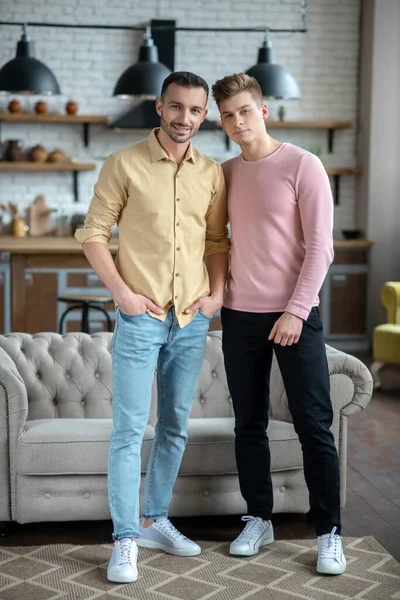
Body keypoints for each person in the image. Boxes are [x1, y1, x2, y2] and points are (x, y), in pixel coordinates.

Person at [75, 71, 230, 584]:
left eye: (195, 110)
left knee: (174, 428)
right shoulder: (123, 164)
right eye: (176, 107)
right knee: (127, 431)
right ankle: (124, 538)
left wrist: (217, 296)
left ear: (204, 115)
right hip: (140, 317)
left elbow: (216, 242)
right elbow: (93, 234)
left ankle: (155, 519)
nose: (185, 118)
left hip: (192, 319)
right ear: (159, 107)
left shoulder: (212, 172)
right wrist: (122, 294)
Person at [211, 73, 346, 576]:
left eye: (244, 111)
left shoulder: (303, 165)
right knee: (248, 423)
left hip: (296, 313)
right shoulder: (224, 173)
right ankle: (258, 517)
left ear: (263, 111)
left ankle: (329, 531)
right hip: (239, 315)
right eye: (226, 115)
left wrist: (295, 309)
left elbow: (321, 248)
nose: (236, 122)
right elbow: (215, 241)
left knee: (314, 423)